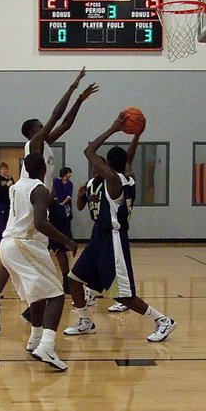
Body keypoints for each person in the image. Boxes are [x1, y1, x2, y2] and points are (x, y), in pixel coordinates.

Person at [0, 67, 98, 327]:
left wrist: (79, 102)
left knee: (20, 248)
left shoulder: (43, 145)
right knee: (19, 244)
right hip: (29, 196)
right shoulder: (33, 144)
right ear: (32, 133)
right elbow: (56, 116)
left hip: (39, 198)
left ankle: (3, 303)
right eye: (40, 127)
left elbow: (65, 123)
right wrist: (73, 87)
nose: (45, 128)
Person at [63, 113, 177, 342]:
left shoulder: (113, 180)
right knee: (74, 280)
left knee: (123, 296)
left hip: (112, 241)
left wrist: (114, 128)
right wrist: (136, 135)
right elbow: (128, 160)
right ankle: (85, 321)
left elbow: (89, 151)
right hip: (98, 239)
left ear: (109, 165)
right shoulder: (128, 176)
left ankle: (163, 320)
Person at [0, 153, 77, 370]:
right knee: (56, 295)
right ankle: (46, 345)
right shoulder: (40, 189)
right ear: (44, 169)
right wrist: (68, 241)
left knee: (37, 295)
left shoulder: (15, 186)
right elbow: (41, 223)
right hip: (24, 245)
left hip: (7, 245)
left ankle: (35, 338)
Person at [77, 160, 125, 313]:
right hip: (97, 227)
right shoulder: (89, 184)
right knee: (95, 264)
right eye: (93, 168)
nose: (95, 170)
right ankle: (90, 293)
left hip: (110, 228)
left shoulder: (110, 183)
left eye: (98, 168)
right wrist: (80, 197)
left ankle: (123, 298)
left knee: (113, 266)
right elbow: (80, 206)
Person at [49, 166, 75, 292]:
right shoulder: (54, 182)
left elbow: (69, 197)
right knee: (58, 249)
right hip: (52, 213)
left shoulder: (69, 184)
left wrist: (61, 205)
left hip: (61, 213)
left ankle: (66, 280)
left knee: (60, 249)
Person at [0, 162, 14, 245]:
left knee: (10, 223)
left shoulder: (10, 179)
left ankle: (9, 240)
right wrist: (6, 186)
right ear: (0, 171)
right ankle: (0, 240)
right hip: (2, 204)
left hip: (10, 203)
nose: (4, 171)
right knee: (1, 223)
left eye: (5, 169)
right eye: (2, 169)